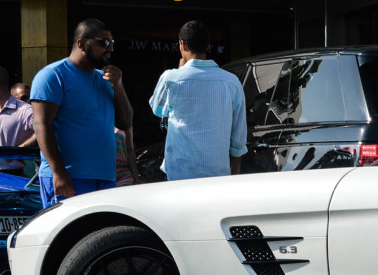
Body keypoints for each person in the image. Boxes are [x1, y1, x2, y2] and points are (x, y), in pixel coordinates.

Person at [30, 18, 134, 207]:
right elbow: (41, 125)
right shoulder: (53, 75)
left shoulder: (105, 79)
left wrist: (118, 87)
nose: (110, 48)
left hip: (105, 179)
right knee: (68, 235)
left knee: (101, 235)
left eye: (112, 43)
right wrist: (58, 172)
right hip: (68, 178)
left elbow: (125, 123)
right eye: (104, 43)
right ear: (81, 44)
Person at [149, 20, 247, 180]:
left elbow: (157, 109)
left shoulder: (170, 78)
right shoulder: (231, 82)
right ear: (208, 46)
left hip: (180, 174)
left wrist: (180, 71)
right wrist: (234, 174)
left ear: (183, 44)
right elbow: (238, 136)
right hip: (218, 175)